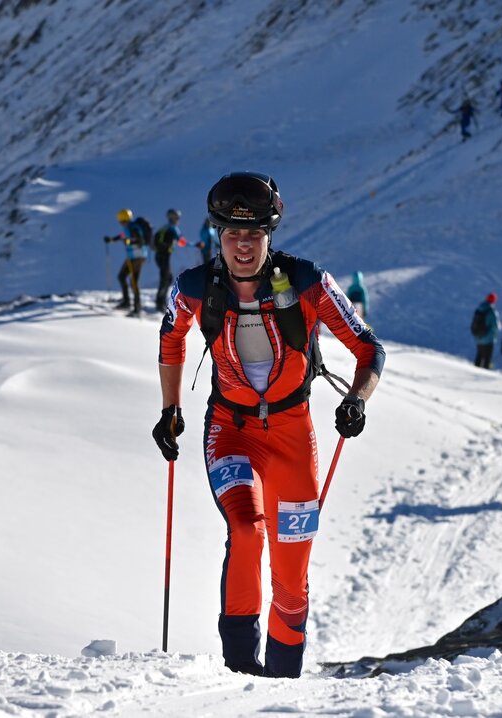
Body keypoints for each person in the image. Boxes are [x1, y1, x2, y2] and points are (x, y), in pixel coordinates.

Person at [153, 171, 384, 679]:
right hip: (229, 432)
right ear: (216, 235)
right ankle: (238, 672)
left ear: (269, 235)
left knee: (292, 577)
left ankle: (283, 684)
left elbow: (369, 347)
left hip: (293, 438)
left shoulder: (307, 283)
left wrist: (358, 400)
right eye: (231, 234)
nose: (241, 245)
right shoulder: (196, 288)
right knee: (246, 527)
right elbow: (171, 339)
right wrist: (171, 410)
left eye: (253, 235)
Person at [105, 208, 150, 315]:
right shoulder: (128, 228)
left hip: (137, 257)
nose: (119, 222)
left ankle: (136, 308)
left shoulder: (133, 227)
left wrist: (128, 241)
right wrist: (111, 240)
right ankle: (127, 302)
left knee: (133, 281)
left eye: (120, 219)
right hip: (133, 257)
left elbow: (139, 240)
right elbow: (122, 236)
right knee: (122, 277)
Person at [153, 209, 182, 312]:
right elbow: (181, 240)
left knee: (167, 278)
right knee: (165, 278)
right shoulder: (172, 228)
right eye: (176, 217)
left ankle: (161, 301)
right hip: (163, 255)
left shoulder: (166, 228)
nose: (178, 219)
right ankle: (159, 303)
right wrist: (195, 245)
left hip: (161, 255)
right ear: (171, 217)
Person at [470, 293, 502, 369]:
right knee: (487, 360)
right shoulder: (492, 311)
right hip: (489, 339)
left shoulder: (480, 309)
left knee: (479, 357)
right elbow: (496, 326)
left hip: (479, 338)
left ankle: (474, 371)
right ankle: (483, 375)